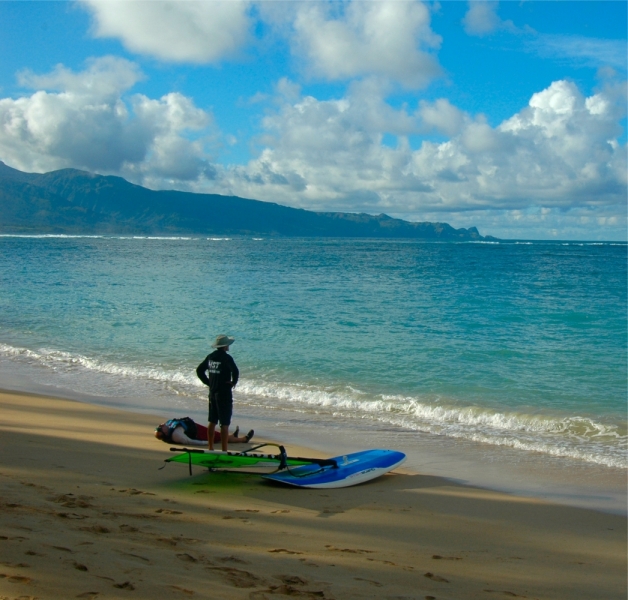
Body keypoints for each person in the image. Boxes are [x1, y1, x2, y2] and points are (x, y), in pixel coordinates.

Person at [196, 334, 239, 451]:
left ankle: (211, 448)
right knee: (224, 424)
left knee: (212, 421)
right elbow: (235, 371)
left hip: (213, 393)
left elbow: (199, 370)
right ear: (225, 346)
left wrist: (209, 382)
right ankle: (224, 450)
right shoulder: (227, 358)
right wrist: (233, 382)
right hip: (224, 394)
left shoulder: (210, 357)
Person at [154, 417, 253, 447]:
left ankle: (232, 436)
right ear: (165, 433)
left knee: (218, 434)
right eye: (161, 428)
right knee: (217, 436)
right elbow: (189, 441)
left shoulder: (169, 427)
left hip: (194, 426)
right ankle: (243, 439)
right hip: (198, 433)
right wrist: (208, 442)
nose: (161, 425)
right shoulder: (176, 435)